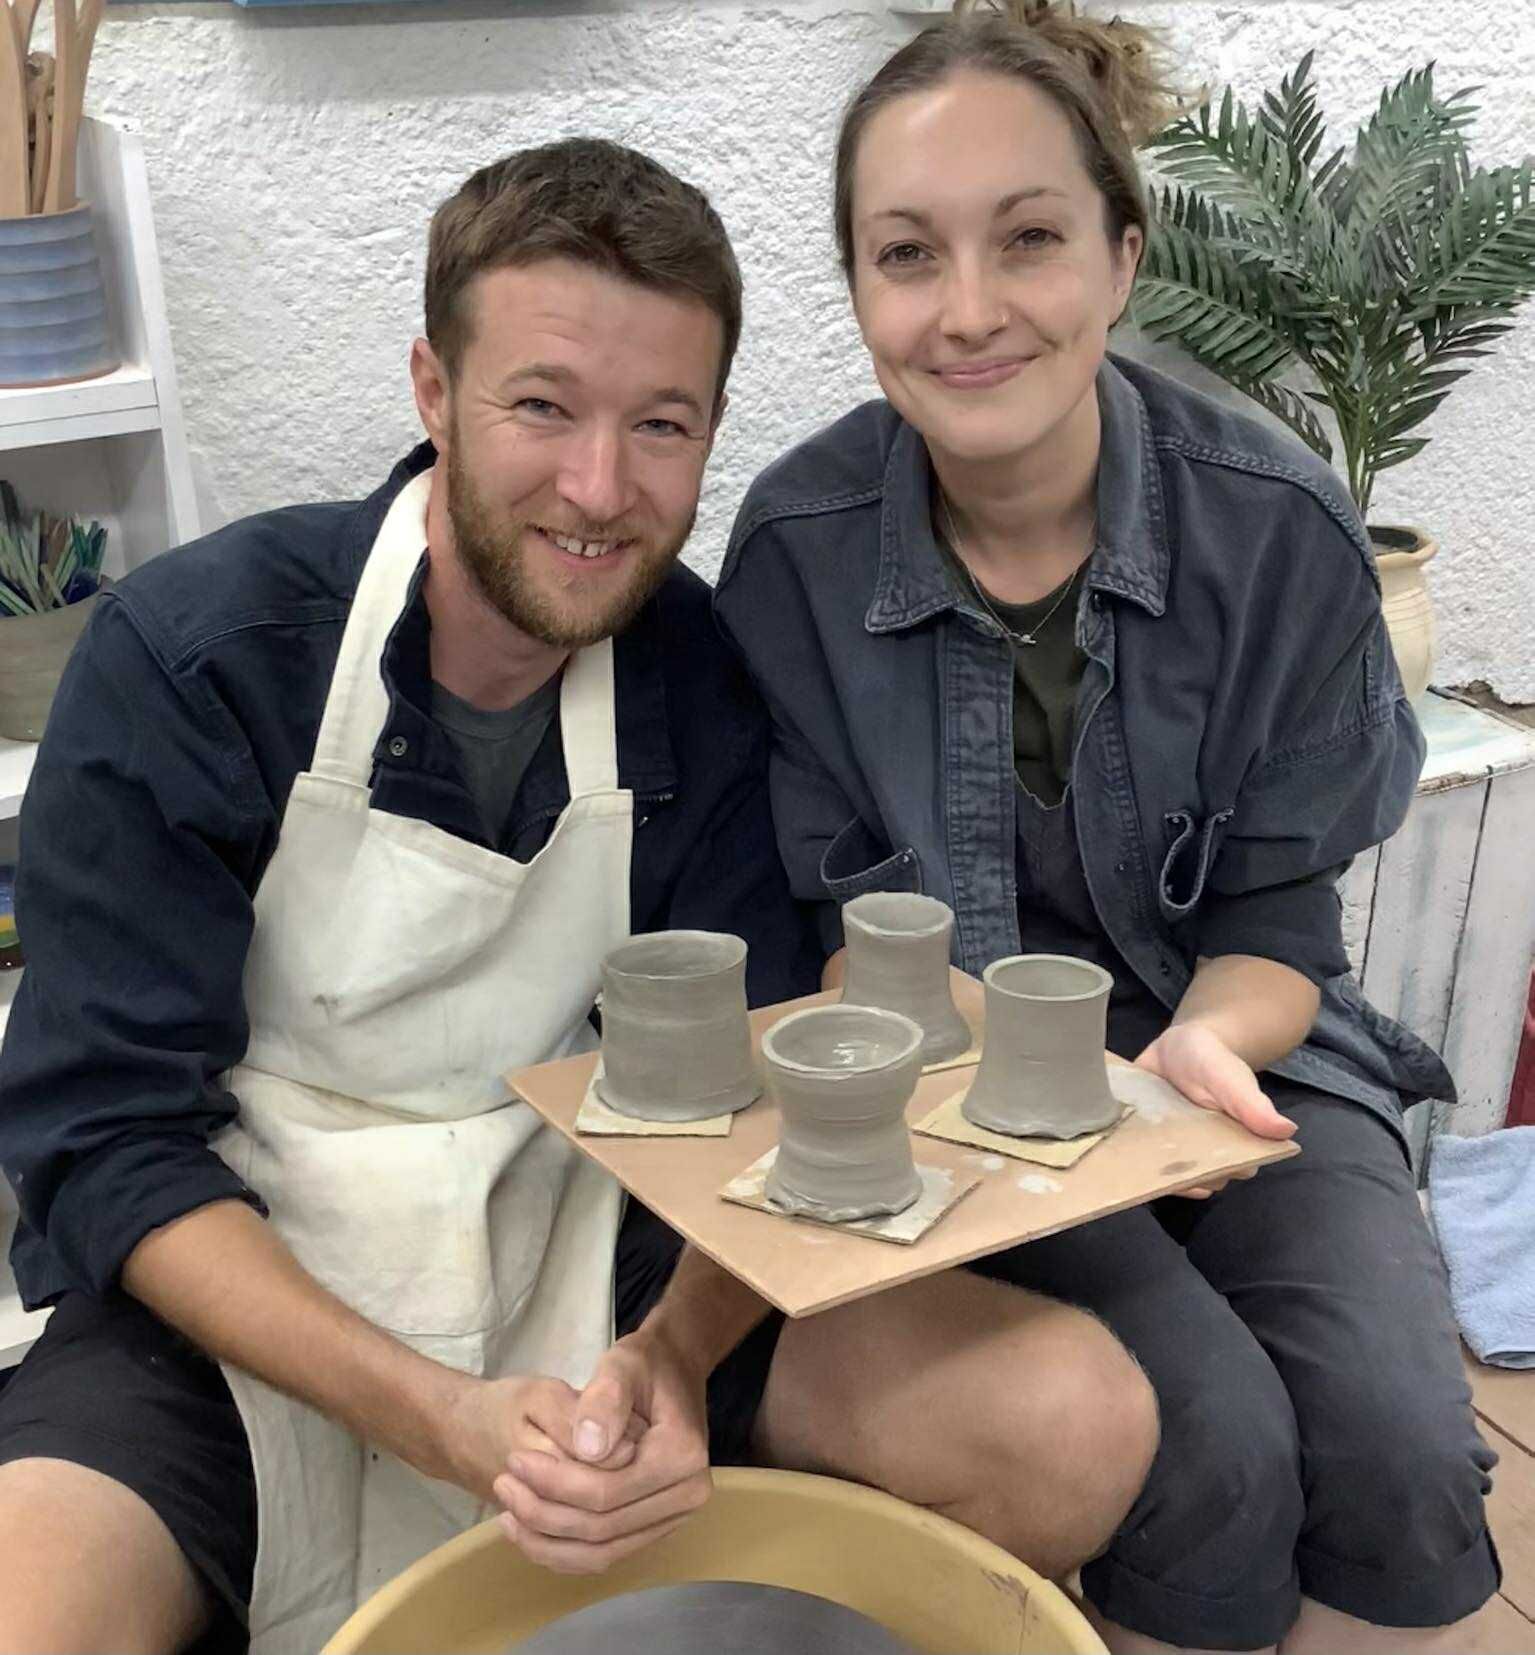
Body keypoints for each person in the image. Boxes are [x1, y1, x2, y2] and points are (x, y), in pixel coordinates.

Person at [0, 136, 1157, 1655]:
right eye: (542, 406)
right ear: (434, 390)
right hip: (242, 1298)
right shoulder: (199, 660)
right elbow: (102, 1144)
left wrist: (675, 1363)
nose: (601, 490)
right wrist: (434, 1417)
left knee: (1074, 1424)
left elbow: (756, 1084)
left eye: (661, 426)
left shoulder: (693, 674)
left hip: (584, 1254)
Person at [707, 4, 1502, 1653]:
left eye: (1032, 240)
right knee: (1208, 1441)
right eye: (908, 255)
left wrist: (1196, 1058)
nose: (972, 310)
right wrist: (1068, 1108)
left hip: (1239, 1058)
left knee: (1403, 1445)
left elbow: (1280, 936)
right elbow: (850, 953)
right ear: (857, 292)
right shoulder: (795, 553)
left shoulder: (1279, 530)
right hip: (955, 1094)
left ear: (1125, 257)